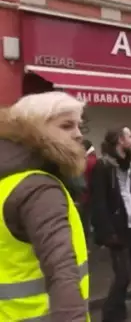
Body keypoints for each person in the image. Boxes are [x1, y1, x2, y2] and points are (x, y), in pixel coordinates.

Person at [0, 91, 89, 321]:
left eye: (79, 126)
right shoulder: (39, 189)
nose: (78, 135)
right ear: (34, 129)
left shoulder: (9, 181)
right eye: (67, 125)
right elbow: (62, 272)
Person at [90, 126, 131, 322]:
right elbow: (99, 202)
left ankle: (119, 315)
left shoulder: (128, 164)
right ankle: (111, 316)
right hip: (117, 228)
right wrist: (106, 231)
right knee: (122, 275)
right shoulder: (103, 166)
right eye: (129, 135)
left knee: (127, 276)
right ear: (120, 140)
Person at [81, 139, 98, 244]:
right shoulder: (94, 159)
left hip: (87, 196)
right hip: (92, 195)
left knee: (86, 220)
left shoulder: (88, 161)